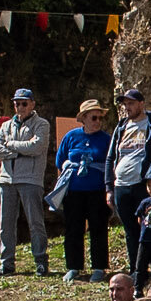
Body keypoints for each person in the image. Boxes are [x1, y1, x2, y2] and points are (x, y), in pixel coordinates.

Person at [104, 85, 151, 278]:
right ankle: (136, 272)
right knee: (130, 230)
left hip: (143, 185)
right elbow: (110, 157)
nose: (127, 107)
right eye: (125, 104)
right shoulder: (121, 127)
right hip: (121, 185)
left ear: (141, 104)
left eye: (131, 103)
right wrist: (109, 187)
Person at [0, 89, 52, 274]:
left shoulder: (42, 124)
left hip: (31, 179)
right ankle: (6, 263)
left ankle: (40, 260)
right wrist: (19, 150)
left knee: (35, 222)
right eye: (17, 103)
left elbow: (36, 146)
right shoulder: (6, 125)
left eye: (24, 103)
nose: (20, 107)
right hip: (6, 179)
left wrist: (11, 145)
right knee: (5, 224)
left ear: (32, 104)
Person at [50, 99, 112, 280]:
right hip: (74, 191)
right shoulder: (71, 136)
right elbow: (60, 160)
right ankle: (73, 266)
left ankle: (99, 267)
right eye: (94, 117)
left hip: (97, 191)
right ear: (83, 118)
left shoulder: (106, 139)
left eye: (100, 118)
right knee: (73, 228)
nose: (98, 122)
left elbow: (111, 163)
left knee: (98, 228)